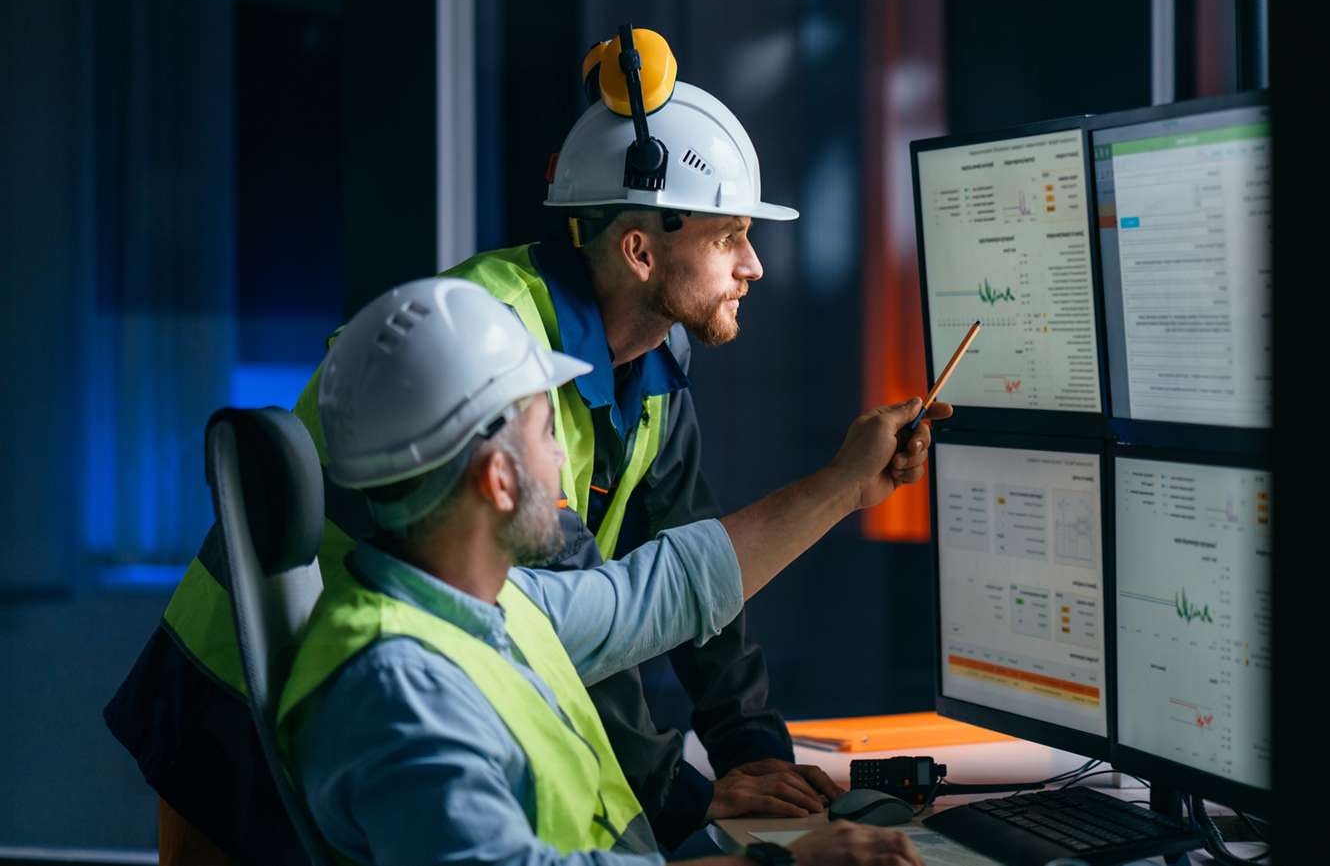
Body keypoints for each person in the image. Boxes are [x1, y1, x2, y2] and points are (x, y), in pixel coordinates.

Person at [104, 27, 870, 862]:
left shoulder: (647, 360)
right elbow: (591, 624)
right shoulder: (487, 346)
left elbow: (672, 577)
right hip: (262, 685)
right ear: (641, 250)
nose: (754, 265)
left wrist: (749, 747)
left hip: (404, 669)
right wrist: (687, 804)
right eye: (729, 237)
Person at [283, 276, 949, 866]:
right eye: (549, 433)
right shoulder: (401, 691)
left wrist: (844, 485)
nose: (562, 459)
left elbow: (658, 592)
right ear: (499, 480)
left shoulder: (486, 606)